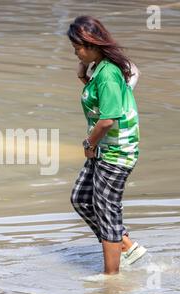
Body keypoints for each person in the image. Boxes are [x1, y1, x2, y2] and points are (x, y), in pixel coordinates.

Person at [67, 16, 147, 275]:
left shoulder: (108, 73)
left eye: (77, 47)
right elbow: (101, 102)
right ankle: (124, 245)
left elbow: (108, 119)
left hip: (116, 151)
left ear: (91, 44)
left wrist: (88, 144)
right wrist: (84, 78)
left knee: (106, 209)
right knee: (81, 198)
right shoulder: (99, 70)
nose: (75, 52)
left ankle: (111, 277)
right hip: (103, 148)